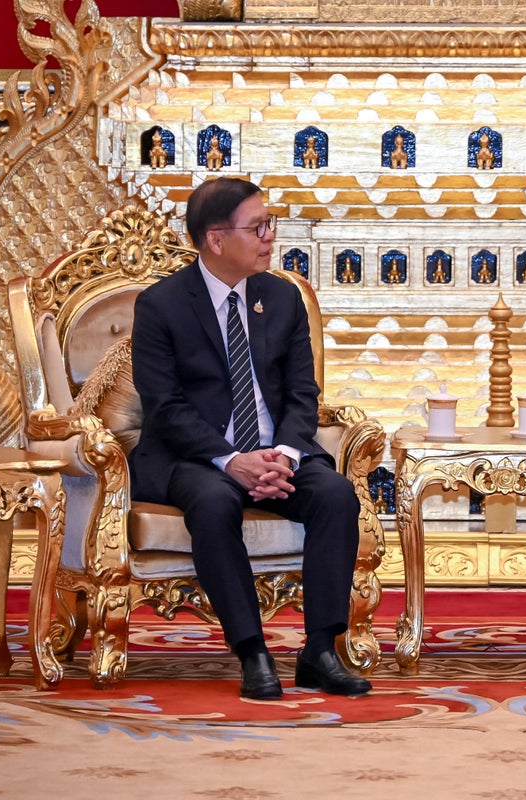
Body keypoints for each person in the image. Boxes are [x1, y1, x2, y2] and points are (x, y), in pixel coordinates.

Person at [130, 177, 371, 700]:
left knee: (335, 494)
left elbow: (303, 394)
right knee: (215, 503)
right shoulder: (161, 306)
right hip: (198, 458)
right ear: (216, 240)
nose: (269, 237)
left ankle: (320, 651)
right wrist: (232, 460)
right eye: (258, 227)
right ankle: (252, 652)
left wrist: (282, 455)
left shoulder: (281, 298)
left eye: (270, 224)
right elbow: (165, 407)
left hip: (276, 452)